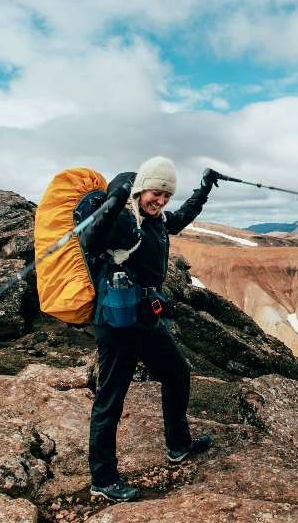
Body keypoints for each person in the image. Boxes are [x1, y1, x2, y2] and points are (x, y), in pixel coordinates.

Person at [81, 156, 220, 503]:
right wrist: (113, 205)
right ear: (142, 188)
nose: (160, 201)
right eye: (156, 193)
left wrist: (202, 191)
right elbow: (92, 239)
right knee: (111, 398)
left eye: (166, 196)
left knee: (176, 373)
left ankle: (179, 444)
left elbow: (181, 218)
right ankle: (103, 477)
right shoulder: (123, 221)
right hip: (116, 321)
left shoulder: (157, 221)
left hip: (145, 316)